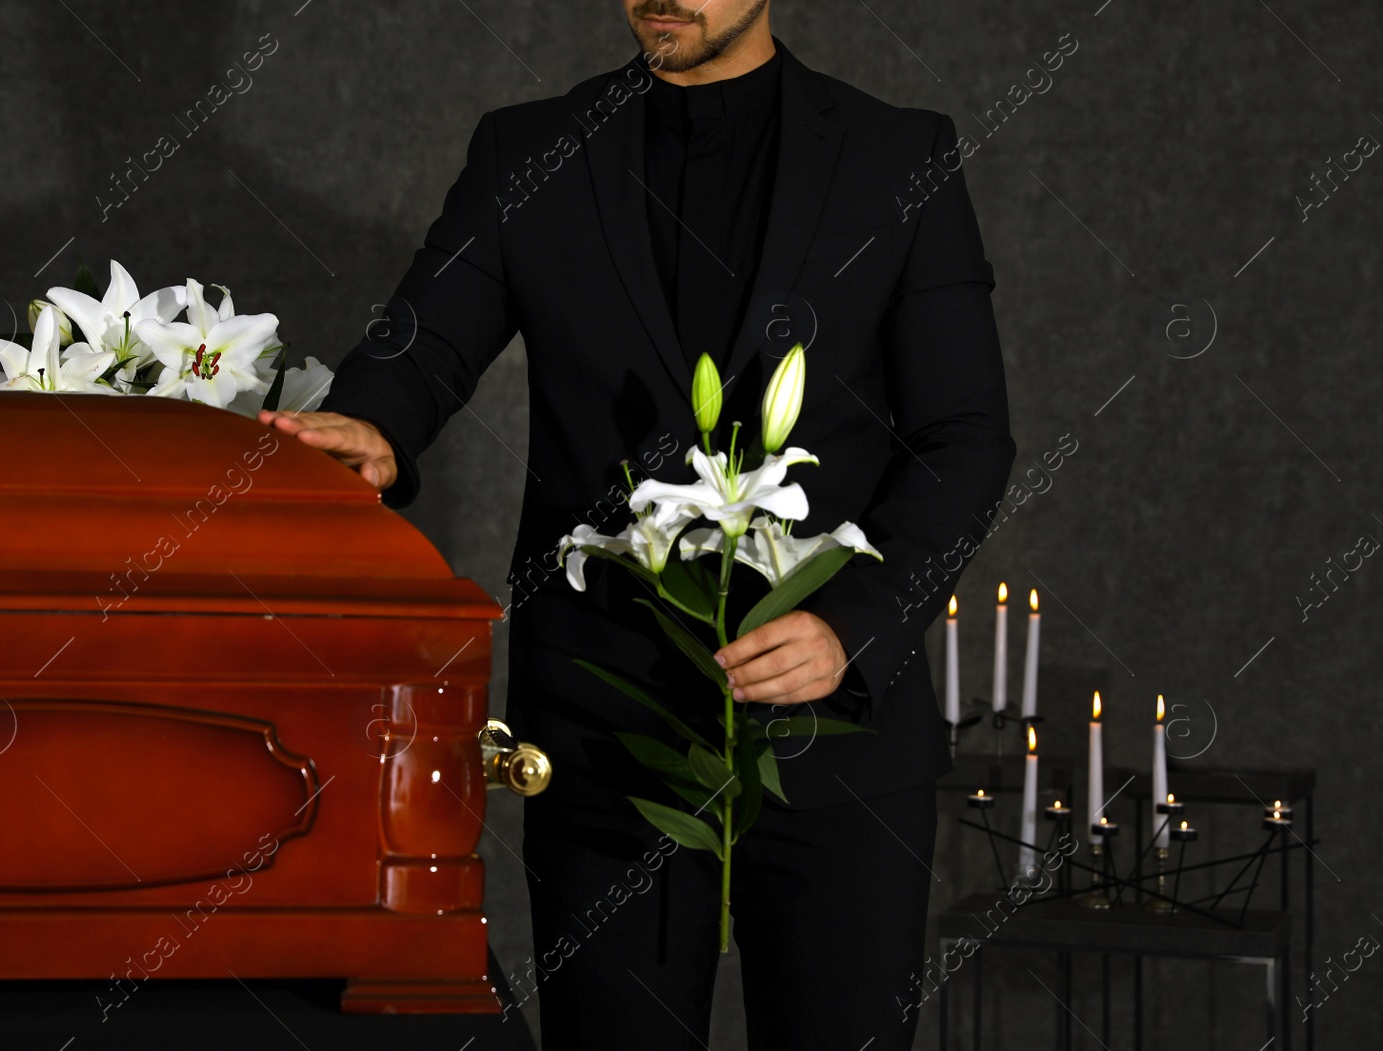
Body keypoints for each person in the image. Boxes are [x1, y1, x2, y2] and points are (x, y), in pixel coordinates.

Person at [261, 2, 1013, 1047]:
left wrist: (854, 625)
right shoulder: (526, 149)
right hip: (607, 732)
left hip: (838, 738)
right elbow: (422, 344)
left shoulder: (899, 154)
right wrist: (375, 423)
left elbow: (965, 436)